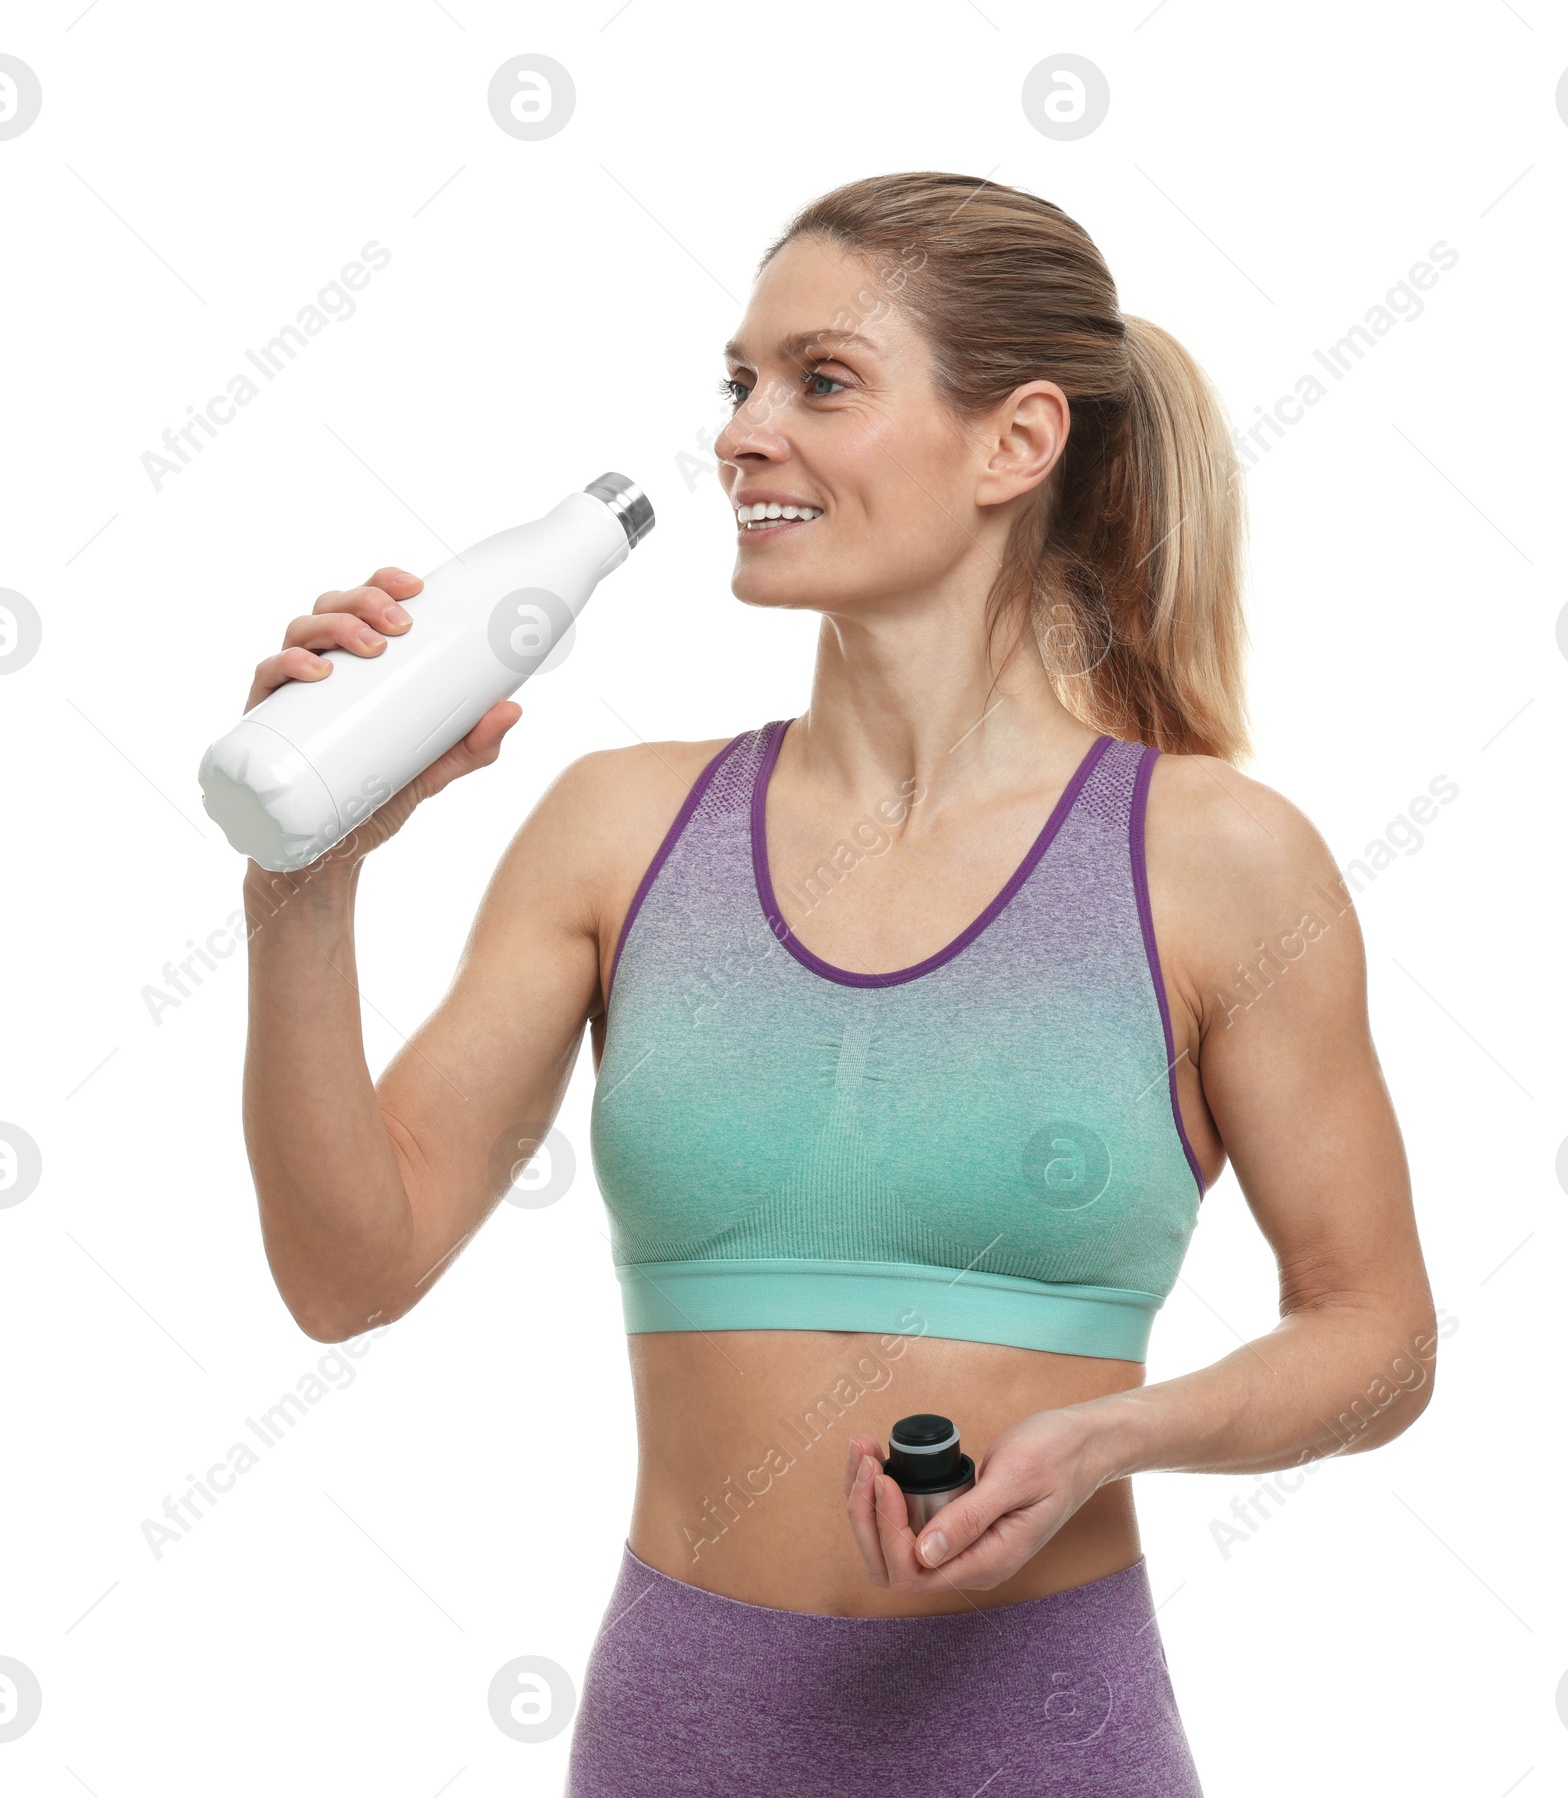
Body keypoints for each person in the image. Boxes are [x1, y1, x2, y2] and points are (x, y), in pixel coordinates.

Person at [239, 172, 1437, 1795]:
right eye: (737, 382)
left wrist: (1113, 1435)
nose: (741, 432)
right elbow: (344, 1272)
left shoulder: (1215, 861)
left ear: (1016, 442)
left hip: (1049, 1740)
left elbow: (1379, 1334)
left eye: (822, 380)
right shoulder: (619, 828)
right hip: (679, 1740)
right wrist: (301, 894)